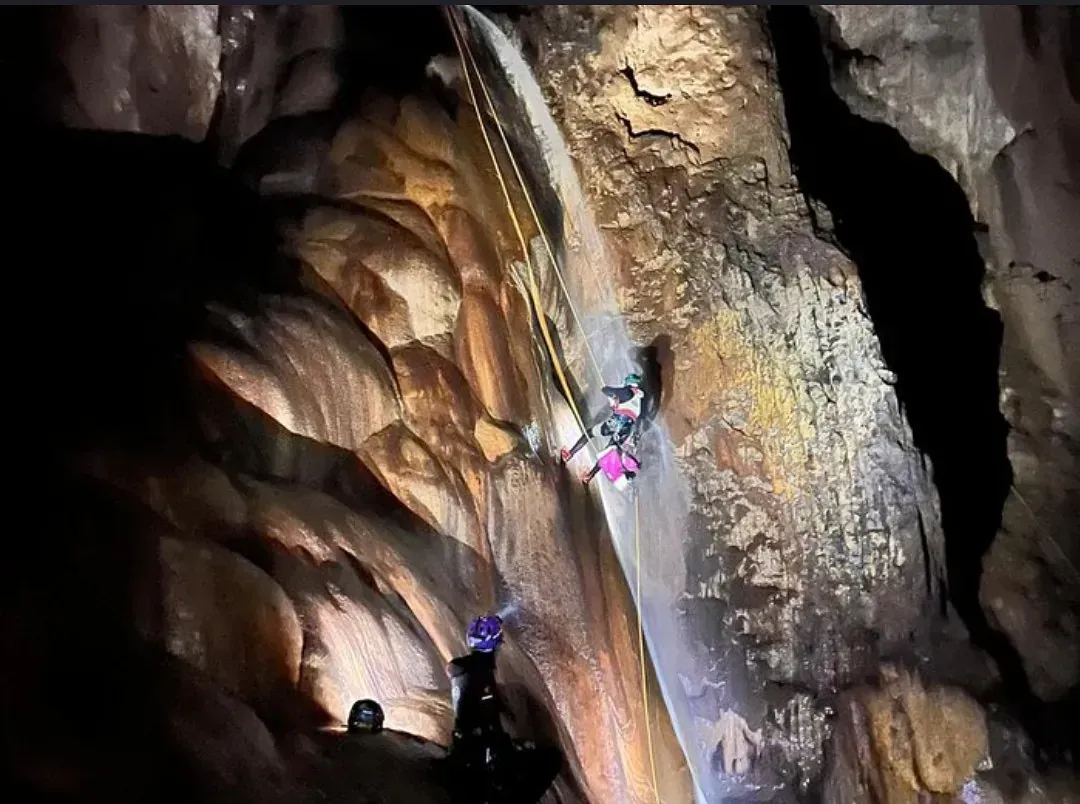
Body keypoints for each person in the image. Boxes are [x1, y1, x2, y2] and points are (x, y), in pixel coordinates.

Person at [447, 615, 514, 779]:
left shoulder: (463, 669)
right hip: (478, 756)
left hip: (462, 747)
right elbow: (489, 722)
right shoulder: (481, 674)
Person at [559, 373, 646, 464]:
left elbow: (606, 390)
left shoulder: (628, 391)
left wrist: (611, 394)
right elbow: (627, 411)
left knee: (590, 433)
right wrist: (615, 403)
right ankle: (588, 476)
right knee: (608, 452)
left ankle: (569, 455)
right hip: (627, 429)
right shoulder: (638, 399)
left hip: (616, 423)